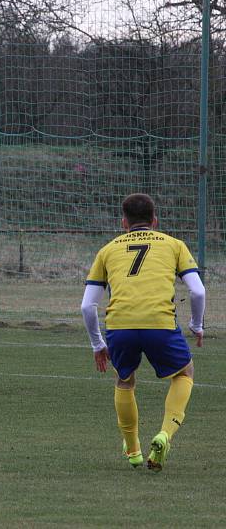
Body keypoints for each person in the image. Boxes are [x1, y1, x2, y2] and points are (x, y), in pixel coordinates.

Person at [81, 193, 205, 472]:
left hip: (120, 325)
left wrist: (97, 344)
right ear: (155, 220)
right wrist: (196, 325)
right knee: (184, 373)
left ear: (124, 222)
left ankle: (133, 450)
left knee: (125, 381)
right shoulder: (174, 244)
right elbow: (197, 290)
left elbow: (87, 306)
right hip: (159, 324)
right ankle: (164, 435)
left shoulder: (108, 249)